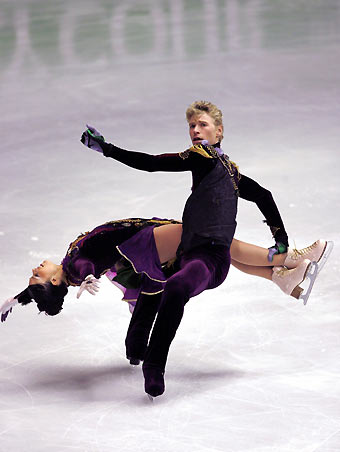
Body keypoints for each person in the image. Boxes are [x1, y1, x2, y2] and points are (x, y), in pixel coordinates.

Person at [78, 100, 328, 398]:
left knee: (183, 279)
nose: (195, 130)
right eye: (191, 127)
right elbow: (153, 163)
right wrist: (108, 150)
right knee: (169, 286)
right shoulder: (201, 159)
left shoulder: (232, 173)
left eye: (203, 125)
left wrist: (281, 236)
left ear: (219, 131)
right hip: (193, 254)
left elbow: (264, 195)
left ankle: (287, 263)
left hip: (213, 260)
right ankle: (286, 271)